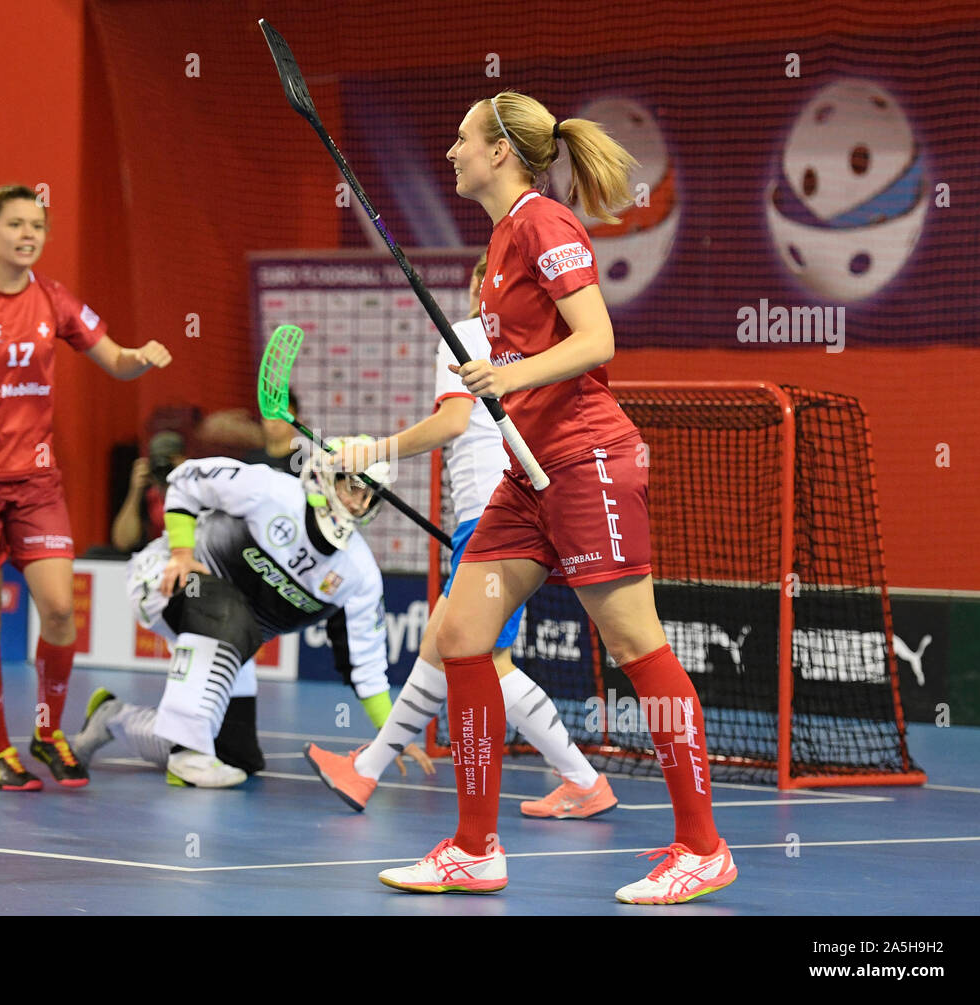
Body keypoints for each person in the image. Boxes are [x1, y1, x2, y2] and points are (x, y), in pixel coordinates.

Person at [357, 92, 735, 903]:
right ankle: (474, 847)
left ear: (500, 150)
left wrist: (508, 375)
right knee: (460, 634)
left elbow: (598, 340)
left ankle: (703, 847)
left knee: (636, 646)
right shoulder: (499, 240)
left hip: (587, 459)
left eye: (461, 138)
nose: (449, 151)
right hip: (527, 476)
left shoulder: (542, 223)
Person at [305, 251, 616, 819]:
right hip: (527, 508)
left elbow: (451, 423)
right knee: (441, 643)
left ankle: (583, 780)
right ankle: (366, 771)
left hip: (492, 515)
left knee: (489, 661)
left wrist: (371, 452)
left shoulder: (467, 332)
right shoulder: (542, 346)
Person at [0, 183, 171, 792]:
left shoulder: (52, 298)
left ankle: (47, 731)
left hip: (35, 481)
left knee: (58, 610)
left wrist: (141, 356)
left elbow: (112, 358)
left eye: (37, 226)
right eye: (17, 225)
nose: (28, 235)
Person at [70, 442, 414, 787]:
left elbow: (366, 665)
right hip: (168, 580)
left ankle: (113, 718)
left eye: (371, 496)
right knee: (234, 617)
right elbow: (186, 478)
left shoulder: (360, 575)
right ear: (329, 474)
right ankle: (187, 755)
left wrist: (391, 734)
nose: (359, 503)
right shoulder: (270, 490)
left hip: (229, 635)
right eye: (353, 486)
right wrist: (181, 551)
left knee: (235, 757)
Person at [108, 431, 187, 554]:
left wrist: (181, 481)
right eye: (158, 460)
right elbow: (123, 542)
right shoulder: (146, 493)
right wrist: (135, 491)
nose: (163, 466)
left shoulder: (194, 492)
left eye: (169, 460)